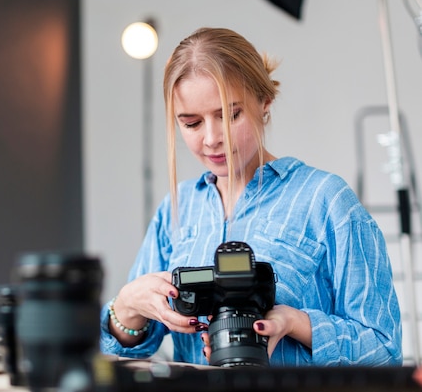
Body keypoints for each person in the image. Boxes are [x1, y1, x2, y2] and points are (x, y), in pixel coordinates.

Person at [99, 27, 403, 366]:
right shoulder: (177, 208)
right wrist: (126, 305)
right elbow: (125, 349)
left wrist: (294, 323)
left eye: (230, 115)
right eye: (192, 123)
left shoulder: (326, 200)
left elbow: (385, 351)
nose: (212, 139)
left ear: (264, 102)